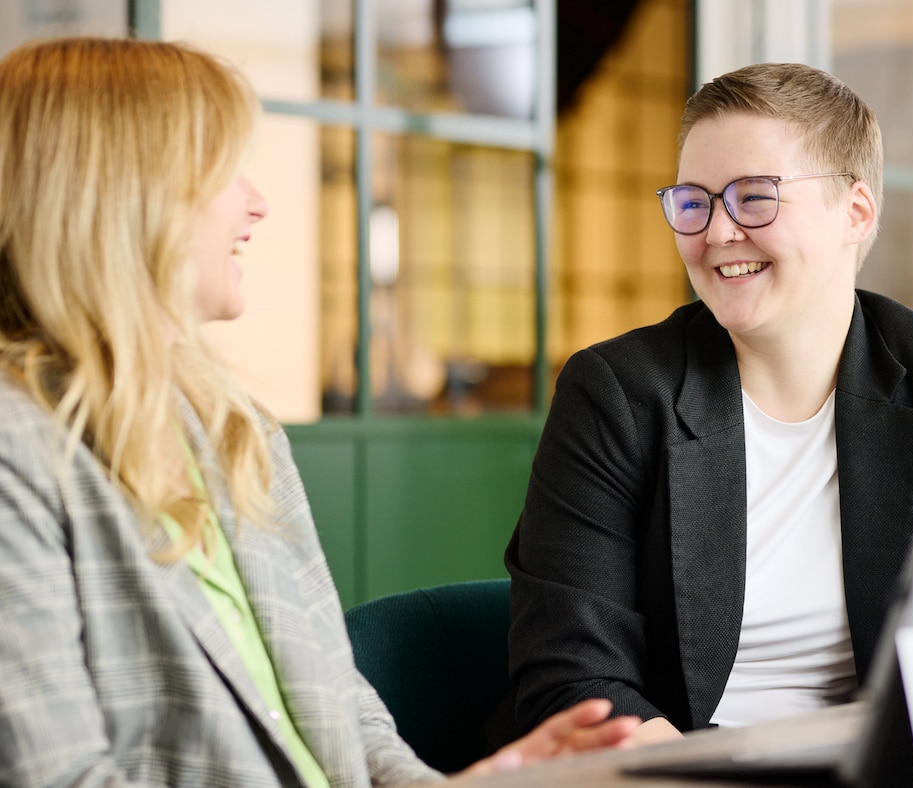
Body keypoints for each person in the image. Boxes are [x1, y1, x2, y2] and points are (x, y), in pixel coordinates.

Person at [0, 37, 637, 786]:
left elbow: (336, 699)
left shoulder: (236, 427)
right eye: (222, 173)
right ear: (118, 196)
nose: (257, 202)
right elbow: (61, 776)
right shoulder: (19, 451)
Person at [506, 62, 913, 745]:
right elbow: (570, 679)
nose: (715, 234)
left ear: (855, 213)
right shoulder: (617, 395)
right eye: (694, 201)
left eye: (754, 198)